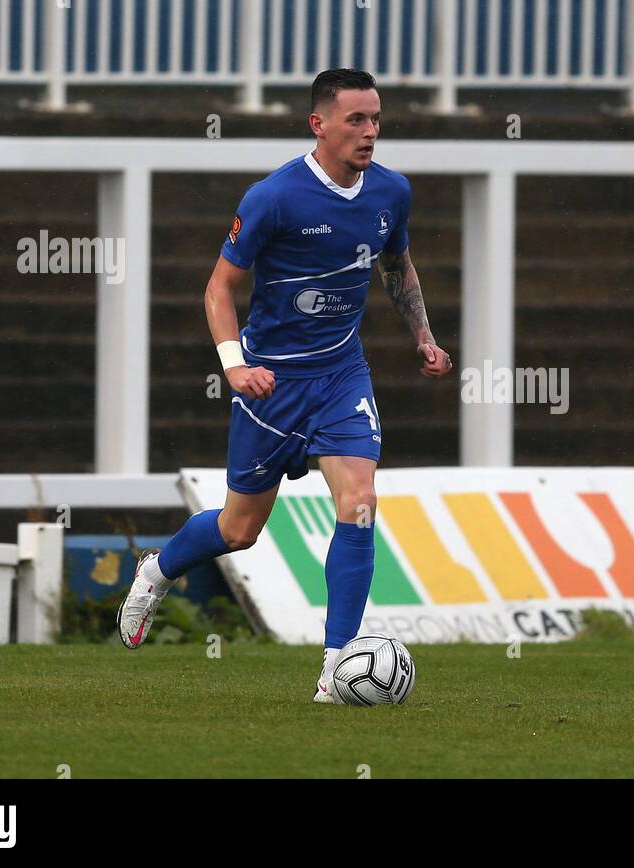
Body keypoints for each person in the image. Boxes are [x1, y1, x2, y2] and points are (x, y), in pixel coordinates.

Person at [116, 68, 452, 703]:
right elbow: (219, 289)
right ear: (318, 124)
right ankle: (156, 572)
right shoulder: (274, 197)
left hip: (342, 376)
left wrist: (423, 338)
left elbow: (398, 268)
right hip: (271, 388)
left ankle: (336, 667)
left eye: (376, 119)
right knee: (240, 529)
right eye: (356, 119)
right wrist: (234, 365)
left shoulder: (391, 193)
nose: (370, 132)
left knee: (359, 498)